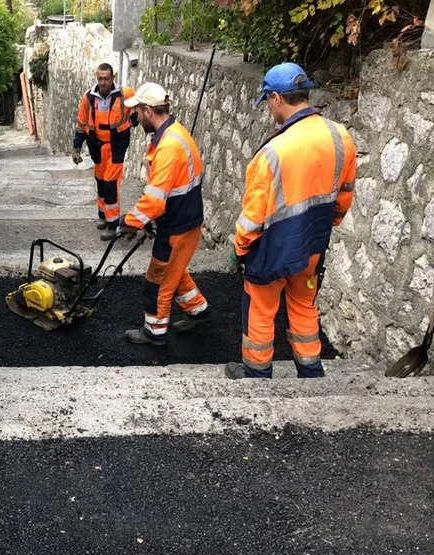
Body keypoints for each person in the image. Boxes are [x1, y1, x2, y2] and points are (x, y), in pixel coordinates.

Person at [226, 62, 357, 379]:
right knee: (303, 304)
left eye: (268, 102)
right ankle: (310, 371)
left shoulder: (272, 152)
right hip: (312, 246)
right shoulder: (340, 137)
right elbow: (344, 195)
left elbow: (253, 217)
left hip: (273, 249)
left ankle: (257, 374)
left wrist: (238, 251)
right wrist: (325, 227)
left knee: (260, 308)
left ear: (275, 99)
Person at [116, 83, 211, 346]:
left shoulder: (169, 146)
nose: (134, 116)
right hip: (185, 220)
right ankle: (198, 310)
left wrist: (130, 221)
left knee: (156, 283)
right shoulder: (175, 133)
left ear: (148, 110)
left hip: (177, 227)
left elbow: (156, 201)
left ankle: (154, 332)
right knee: (176, 272)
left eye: (136, 111)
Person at [72, 64, 137, 241]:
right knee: (100, 181)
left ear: (113, 77)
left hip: (117, 147)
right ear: (96, 77)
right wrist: (76, 147)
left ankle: (113, 224)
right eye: (100, 78)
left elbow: (138, 109)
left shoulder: (125, 94)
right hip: (97, 146)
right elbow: (82, 123)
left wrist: (131, 122)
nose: (103, 82)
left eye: (106, 78)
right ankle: (102, 214)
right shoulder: (89, 97)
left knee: (110, 183)